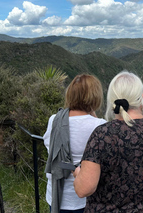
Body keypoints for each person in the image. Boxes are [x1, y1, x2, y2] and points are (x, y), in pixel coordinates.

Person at [73, 71, 143, 213]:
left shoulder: (102, 135)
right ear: (142, 98)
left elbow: (84, 189)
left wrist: (78, 173)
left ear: (112, 102)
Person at [44, 74, 106, 213]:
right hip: (85, 198)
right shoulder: (100, 125)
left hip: (56, 196)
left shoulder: (54, 120)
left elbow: (49, 147)